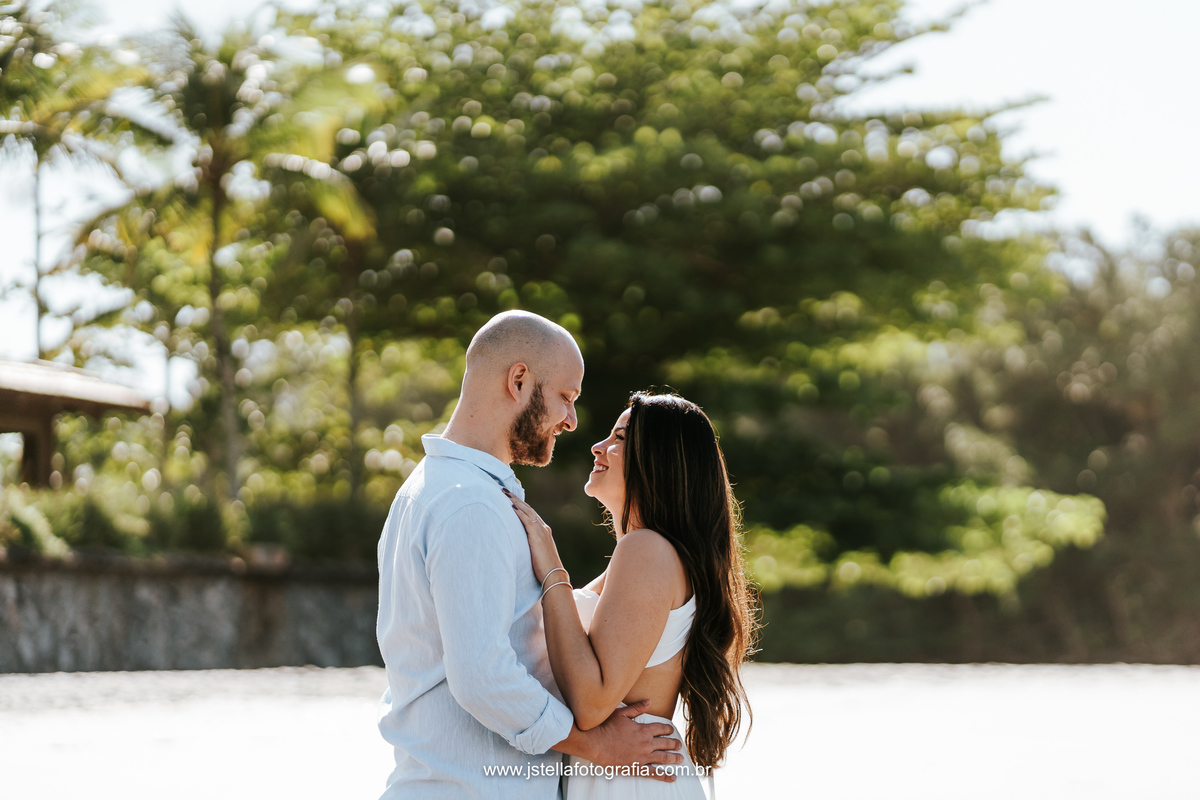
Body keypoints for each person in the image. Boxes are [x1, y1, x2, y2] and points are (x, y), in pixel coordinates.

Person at [376, 311, 684, 800]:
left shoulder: (429, 489)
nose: (572, 420)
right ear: (519, 380)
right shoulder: (470, 503)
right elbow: (483, 677)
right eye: (567, 396)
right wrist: (598, 746)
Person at [507, 391, 758, 798]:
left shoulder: (646, 550)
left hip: (630, 782)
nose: (598, 446)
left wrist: (553, 569)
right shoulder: (647, 556)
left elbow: (591, 704)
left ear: (659, 461)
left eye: (620, 438)